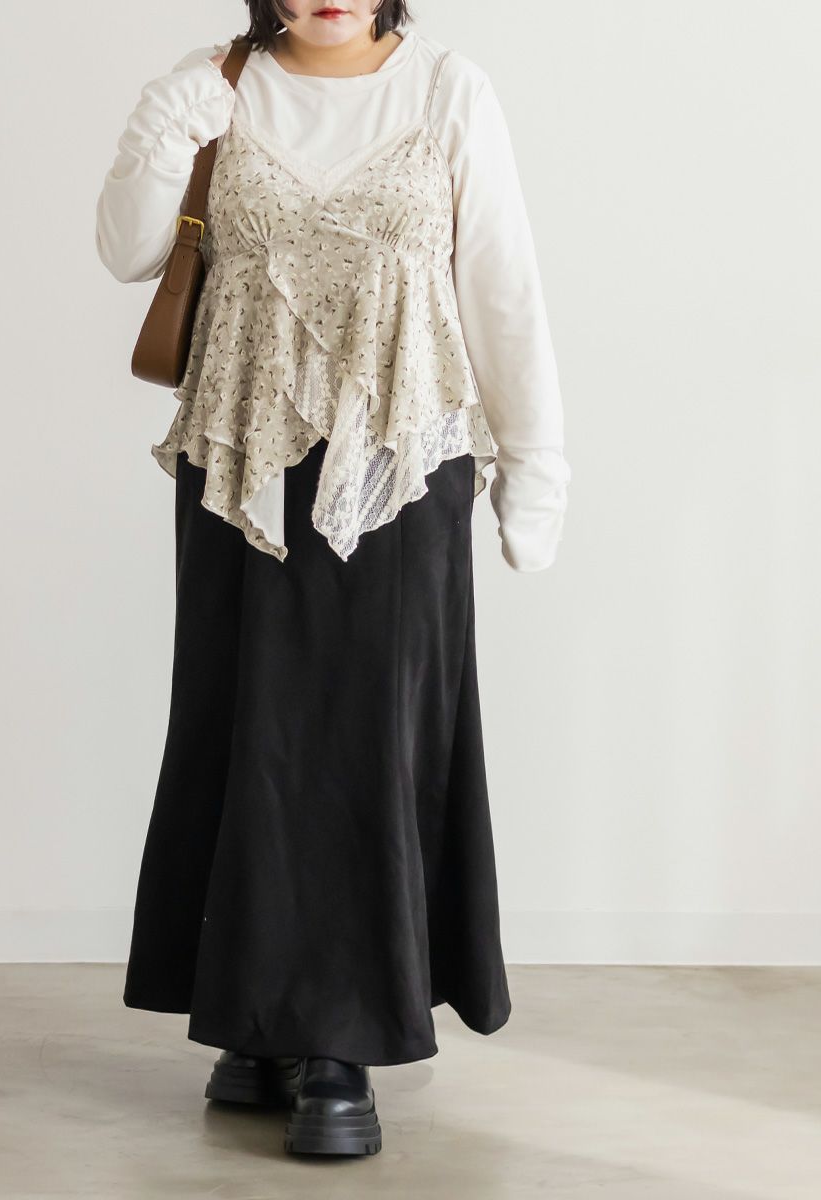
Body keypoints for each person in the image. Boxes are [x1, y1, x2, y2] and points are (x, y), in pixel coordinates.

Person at [94, 0, 570, 1159]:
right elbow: (125, 249)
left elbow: (501, 282)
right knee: (243, 731)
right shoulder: (215, 81)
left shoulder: (449, 89)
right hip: (240, 462)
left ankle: (340, 1036)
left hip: (397, 463)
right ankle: (254, 1018)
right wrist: (173, 117)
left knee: (365, 742)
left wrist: (535, 463)